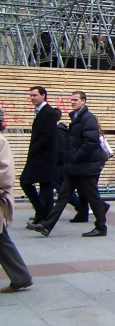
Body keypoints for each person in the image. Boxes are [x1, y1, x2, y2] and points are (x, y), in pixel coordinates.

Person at [29, 91, 108, 238]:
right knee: (63, 197)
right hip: (75, 167)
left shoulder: (88, 118)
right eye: (71, 100)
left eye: (76, 100)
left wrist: (75, 157)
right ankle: (46, 226)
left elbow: (91, 142)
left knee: (93, 197)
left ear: (84, 101)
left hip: (85, 167)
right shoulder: (77, 117)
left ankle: (101, 227)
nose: (72, 102)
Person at [0, 108, 33, 294]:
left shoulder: (1, 141)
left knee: (1, 239)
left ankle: (21, 276)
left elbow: (5, 173)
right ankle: (20, 276)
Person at [21, 86, 57, 225]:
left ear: (43, 95)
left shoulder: (48, 112)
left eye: (35, 95)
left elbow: (48, 136)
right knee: (43, 186)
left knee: (28, 182)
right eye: (31, 95)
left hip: (43, 157)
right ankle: (42, 214)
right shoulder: (41, 111)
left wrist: (34, 149)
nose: (32, 98)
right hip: (40, 156)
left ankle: (42, 214)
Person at [50, 107, 82, 221]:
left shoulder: (58, 131)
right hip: (62, 164)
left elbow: (60, 150)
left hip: (59, 165)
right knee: (62, 190)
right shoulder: (61, 130)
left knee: (63, 191)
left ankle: (81, 206)